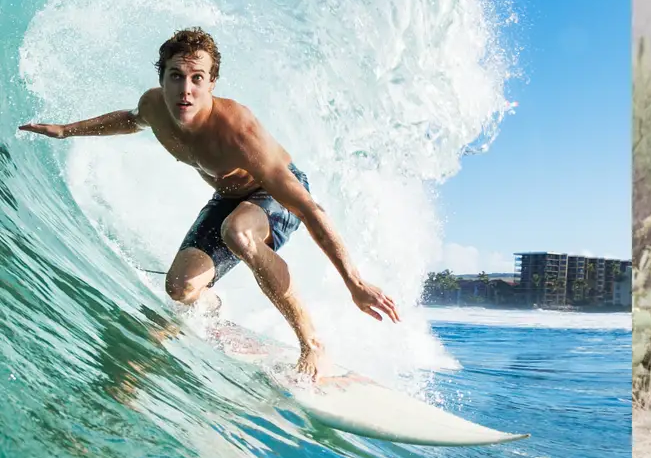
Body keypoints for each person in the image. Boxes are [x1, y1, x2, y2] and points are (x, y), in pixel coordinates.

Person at [18, 27, 400, 379]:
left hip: (275, 195)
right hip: (228, 197)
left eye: (197, 78)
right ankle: (210, 305)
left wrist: (354, 282)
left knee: (237, 232)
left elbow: (309, 208)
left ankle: (312, 343)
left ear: (211, 83)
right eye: (176, 76)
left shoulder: (239, 133)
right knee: (180, 288)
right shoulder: (154, 107)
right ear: (162, 78)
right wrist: (66, 130)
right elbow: (130, 120)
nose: (185, 90)